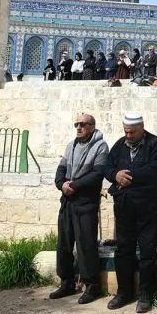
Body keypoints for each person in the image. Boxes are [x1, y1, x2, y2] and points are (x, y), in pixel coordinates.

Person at [104, 113, 157, 313]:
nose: (128, 136)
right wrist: (115, 175)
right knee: (123, 250)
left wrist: (126, 176)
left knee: (147, 251)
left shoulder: (156, 144)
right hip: (124, 207)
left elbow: (154, 171)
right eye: (126, 132)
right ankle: (124, 292)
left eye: (132, 132)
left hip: (149, 208)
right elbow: (107, 167)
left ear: (142, 128)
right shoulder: (119, 145)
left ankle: (145, 294)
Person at [50, 112, 108, 303]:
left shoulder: (100, 146)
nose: (79, 127)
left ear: (92, 126)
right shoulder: (71, 145)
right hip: (68, 201)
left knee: (86, 245)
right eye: (76, 124)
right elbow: (61, 169)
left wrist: (74, 185)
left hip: (86, 202)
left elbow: (97, 174)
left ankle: (92, 286)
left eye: (83, 124)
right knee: (64, 244)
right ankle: (67, 283)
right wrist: (61, 184)